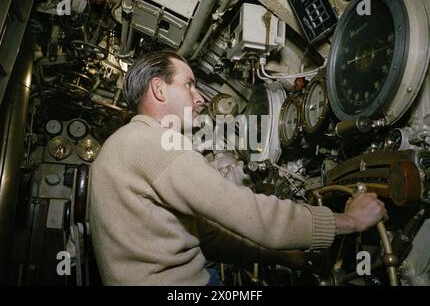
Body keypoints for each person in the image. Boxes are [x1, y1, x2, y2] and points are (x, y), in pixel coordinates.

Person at [89, 51, 386, 285]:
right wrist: (349, 220)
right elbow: (251, 215)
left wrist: (279, 257)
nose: (200, 96)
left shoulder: (122, 145)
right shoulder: (156, 143)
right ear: (159, 89)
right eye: (188, 84)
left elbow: (204, 236)